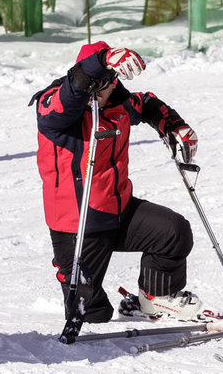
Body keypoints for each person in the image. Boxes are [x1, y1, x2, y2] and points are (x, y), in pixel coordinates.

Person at [30, 41, 205, 324]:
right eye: (91, 83)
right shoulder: (56, 105)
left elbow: (146, 103)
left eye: (104, 83)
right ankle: (71, 273)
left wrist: (174, 126)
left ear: (114, 81)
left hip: (117, 210)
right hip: (78, 223)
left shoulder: (119, 104)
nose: (96, 92)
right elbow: (71, 92)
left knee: (173, 231)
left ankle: (155, 299)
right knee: (91, 314)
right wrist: (101, 62)